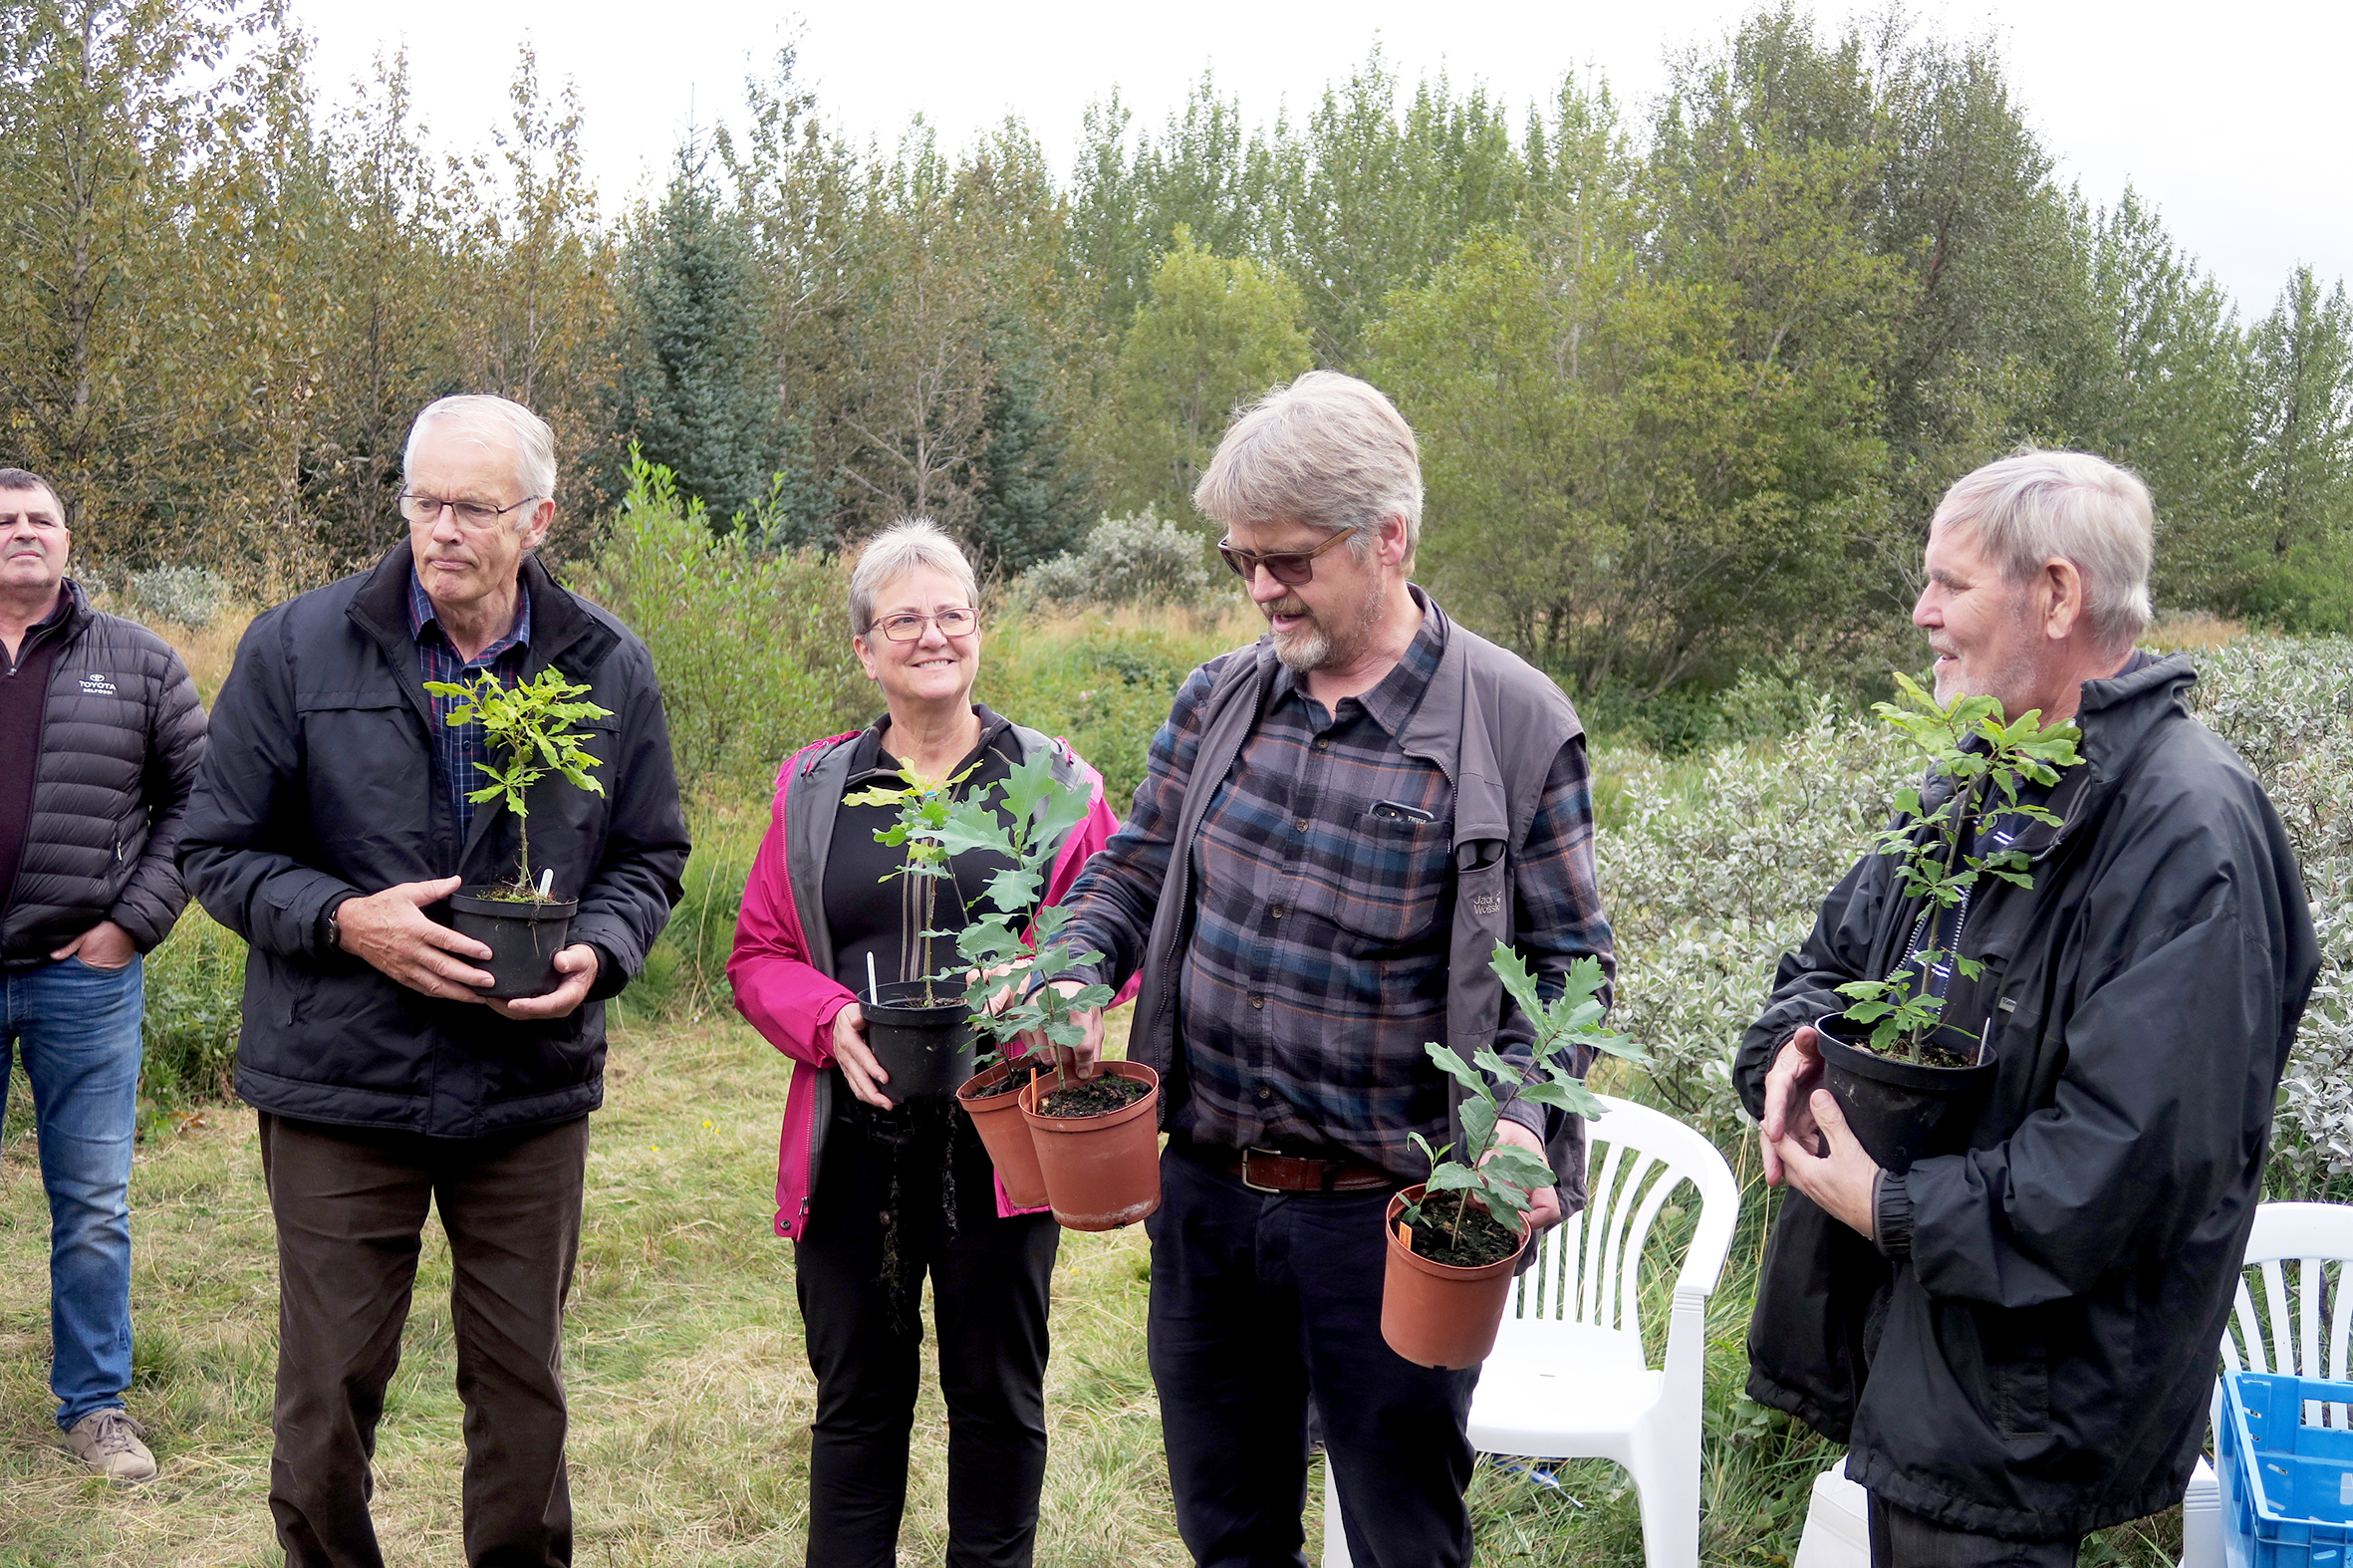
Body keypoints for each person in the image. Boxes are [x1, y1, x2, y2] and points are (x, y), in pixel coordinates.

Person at [1026, 372, 1615, 1568]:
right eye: (1238, 558)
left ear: (1387, 537)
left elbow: (1569, 967)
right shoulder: (1221, 695)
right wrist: (1073, 965)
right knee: (1228, 1528)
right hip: (1207, 1194)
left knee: (1403, 1533)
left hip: (1387, 1216)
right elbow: (1133, 866)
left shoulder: (1510, 721)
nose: (1258, 588)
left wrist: (1515, 1120)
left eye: (1286, 559)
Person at [1738, 450, 2321, 1567]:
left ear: (2055, 594)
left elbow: (2128, 1161)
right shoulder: (1977, 782)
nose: (1920, 614)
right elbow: (1821, 965)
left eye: (1947, 583)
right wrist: (1791, 1061)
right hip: (1916, 1355)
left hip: (2019, 1403)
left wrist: (1891, 1206)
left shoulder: (2187, 832)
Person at [178, 395, 689, 1568]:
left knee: (522, 1386)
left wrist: (601, 949)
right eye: (424, 501)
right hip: (339, 1080)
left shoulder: (603, 663)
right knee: (329, 1382)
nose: (442, 529)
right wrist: (347, 920)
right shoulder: (296, 645)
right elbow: (217, 848)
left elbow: (650, 852)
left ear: (540, 518)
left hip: (527, 1082)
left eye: (473, 506)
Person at [727, 519, 1125, 1568]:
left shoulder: (1053, 780)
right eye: (903, 618)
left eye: (951, 613)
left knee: (996, 1399)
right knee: (856, 1401)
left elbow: (1117, 926)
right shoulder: (816, 788)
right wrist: (826, 1019)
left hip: (1003, 1139)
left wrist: (1055, 989)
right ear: (864, 648)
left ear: (979, 633)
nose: (931, 634)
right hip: (851, 1139)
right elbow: (759, 951)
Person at [0, 467, 205, 1482]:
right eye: (4, 520)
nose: (23, 532)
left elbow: (201, 800)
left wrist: (134, 922)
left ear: (70, 541)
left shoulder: (137, 662)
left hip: (83, 977)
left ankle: (95, 1406)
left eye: (41, 518)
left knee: (91, 1200)